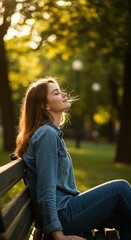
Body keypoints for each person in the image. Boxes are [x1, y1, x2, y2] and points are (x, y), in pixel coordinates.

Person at [14, 77, 131, 240]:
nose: (64, 93)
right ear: (45, 106)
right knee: (121, 188)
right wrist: (59, 235)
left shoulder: (51, 133)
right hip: (63, 218)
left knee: (125, 217)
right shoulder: (47, 135)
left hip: (66, 212)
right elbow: (45, 191)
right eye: (56, 92)